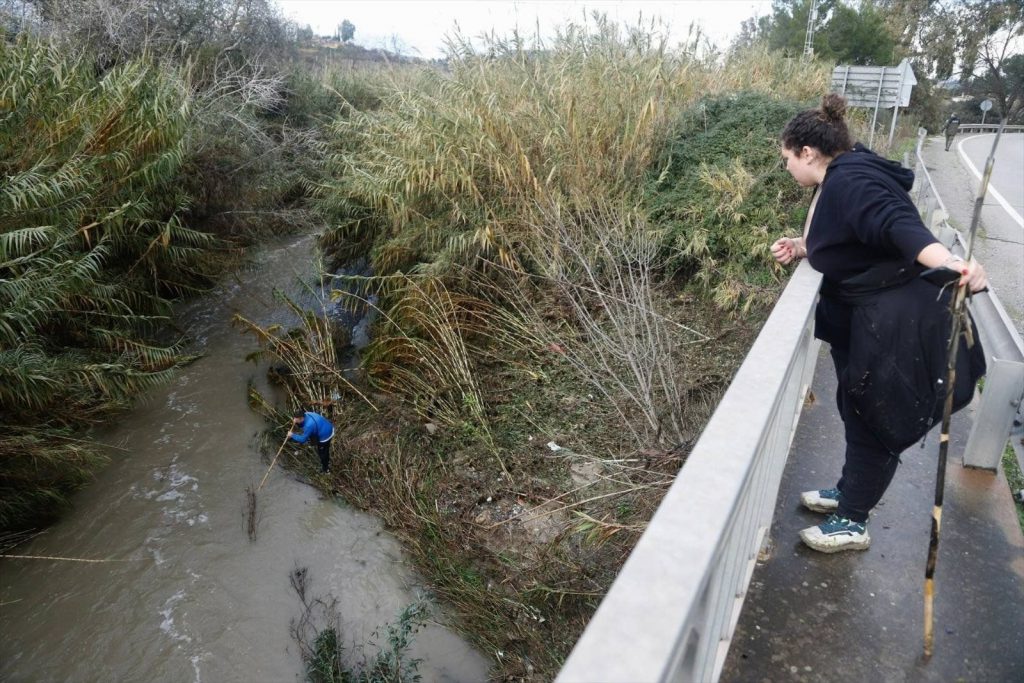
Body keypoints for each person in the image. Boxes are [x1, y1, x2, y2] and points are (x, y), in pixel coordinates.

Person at [771, 94, 988, 553]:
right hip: (867, 317)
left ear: (807, 152)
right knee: (853, 406)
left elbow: (898, 226)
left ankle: (854, 520)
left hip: (892, 324)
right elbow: (854, 234)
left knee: (873, 417)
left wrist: (953, 263)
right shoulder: (845, 169)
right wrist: (805, 245)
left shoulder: (853, 182)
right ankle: (848, 492)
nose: (786, 167)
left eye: (787, 158)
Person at [288, 409, 335, 474]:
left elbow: (303, 439)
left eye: (296, 419)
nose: (295, 420)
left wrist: (292, 435)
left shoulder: (309, 425)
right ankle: (314, 443)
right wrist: (296, 422)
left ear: (301, 418)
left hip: (326, 436)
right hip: (325, 426)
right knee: (312, 435)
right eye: (294, 418)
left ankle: (326, 469)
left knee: (323, 453)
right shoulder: (307, 414)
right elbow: (302, 424)